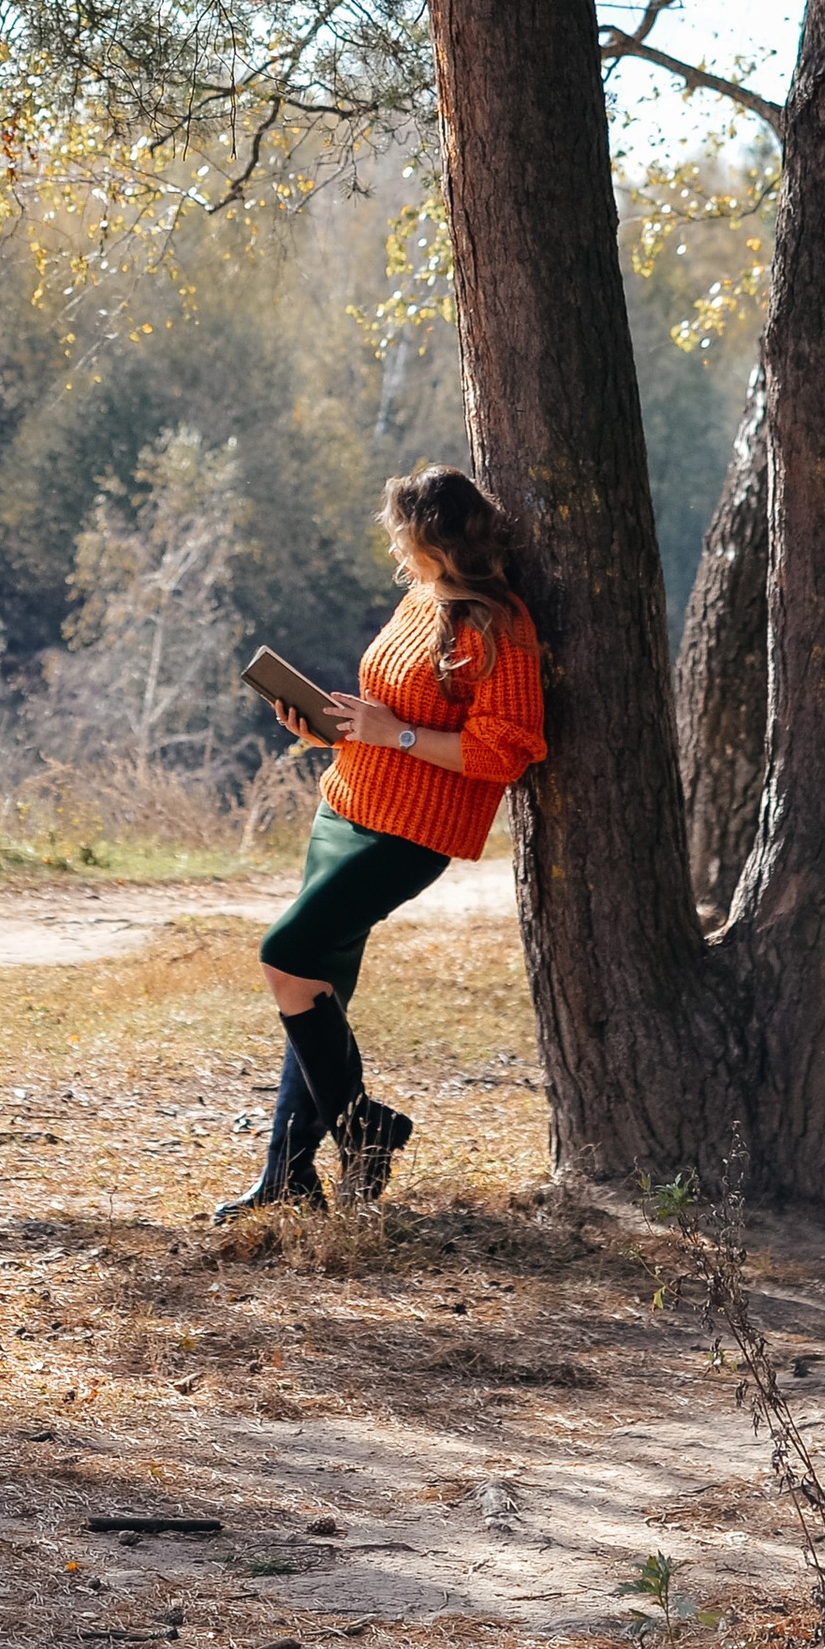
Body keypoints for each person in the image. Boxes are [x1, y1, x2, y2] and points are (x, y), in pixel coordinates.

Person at [215, 464, 546, 1220]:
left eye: (403, 533)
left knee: (285, 955)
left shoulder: (498, 626)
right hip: (346, 804)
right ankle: (289, 1178)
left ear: (431, 536)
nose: (395, 546)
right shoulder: (419, 597)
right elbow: (391, 709)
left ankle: (365, 1130)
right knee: (313, 994)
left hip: (410, 831)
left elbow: (506, 747)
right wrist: (331, 727)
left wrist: (390, 731)